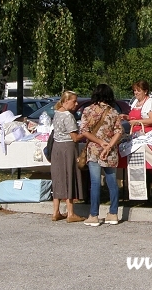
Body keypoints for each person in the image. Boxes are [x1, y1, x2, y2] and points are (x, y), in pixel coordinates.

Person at [80, 84, 123, 226]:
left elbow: (84, 131)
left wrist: (99, 142)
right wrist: (109, 145)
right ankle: (113, 213)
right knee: (112, 182)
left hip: (94, 150)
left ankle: (93, 215)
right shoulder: (114, 112)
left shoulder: (88, 110)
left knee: (95, 182)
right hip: (110, 151)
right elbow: (119, 132)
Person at [50, 90, 86, 223]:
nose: (76, 104)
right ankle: (71, 213)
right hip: (67, 147)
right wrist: (86, 133)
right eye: (74, 101)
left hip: (56, 147)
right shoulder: (68, 116)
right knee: (69, 176)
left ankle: (55, 211)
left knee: (58, 176)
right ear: (66, 101)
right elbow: (75, 138)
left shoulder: (57, 113)